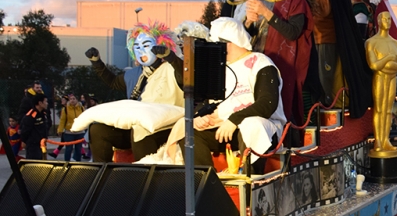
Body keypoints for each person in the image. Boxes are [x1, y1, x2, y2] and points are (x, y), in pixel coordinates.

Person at [172, 17, 286, 169]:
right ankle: (203, 182)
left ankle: (250, 181)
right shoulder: (219, 66)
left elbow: (267, 103)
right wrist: (200, 116)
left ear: (228, 42)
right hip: (223, 127)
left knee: (251, 125)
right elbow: (207, 101)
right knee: (188, 132)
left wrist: (234, 120)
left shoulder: (261, 62)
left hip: (263, 128)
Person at [85, 21, 184, 162]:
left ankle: (144, 179)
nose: (141, 51)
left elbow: (185, 74)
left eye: (146, 46)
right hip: (135, 126)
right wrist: (97, 62)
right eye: (137, 47)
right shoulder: (135, 74)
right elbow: (113, 82)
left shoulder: (172, 68)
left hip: (166, 128)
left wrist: (170, 57)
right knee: (98, 130)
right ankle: (103, 176)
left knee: (140, 129)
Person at [246, 0, 314, 134]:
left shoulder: (296, 0)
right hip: (258, 64)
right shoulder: (259, 0)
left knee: (283, 109)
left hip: (283, 66)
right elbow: (250, 36)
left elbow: (292, 32)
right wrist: (249, 22)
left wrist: (265, 12)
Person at [305, 0, 373, 116]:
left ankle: (326, 106)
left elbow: (322, 10)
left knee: (324, 76)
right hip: (326, 37)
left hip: (324, 37)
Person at [365, 12, 397, 156]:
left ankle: (385, 139)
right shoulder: (371, 42)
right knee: (379, 110)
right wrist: (388, 58)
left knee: (388, 110)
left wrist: (387, 64)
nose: (387, 21)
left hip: (391, 78)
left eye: (389, 19)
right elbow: (374, 65)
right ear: (379, 21)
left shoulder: (396, 43)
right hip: (380, 78)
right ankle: (378, 141)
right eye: (384, 19)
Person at [20, 94, 50, 160]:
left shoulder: (43, 113)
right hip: (33, 145)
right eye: (46, 101)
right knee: (34, 164)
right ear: (40, 103)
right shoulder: (31, 115)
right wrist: (24, 141)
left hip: (42, 143)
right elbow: (25, 130)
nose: (47, 104)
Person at [57, 94, 85, 162]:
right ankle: (67, 163)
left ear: (77, 100)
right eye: (71, 99)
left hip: (80, 132)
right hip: (69, 132)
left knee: (78, 149)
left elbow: (85, 118)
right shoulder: (66, 109)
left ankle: (78, 163)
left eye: (74, 99)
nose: (72, 100)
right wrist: (60, 130)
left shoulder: (81, 108)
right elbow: (62, 120)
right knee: (68, 149)